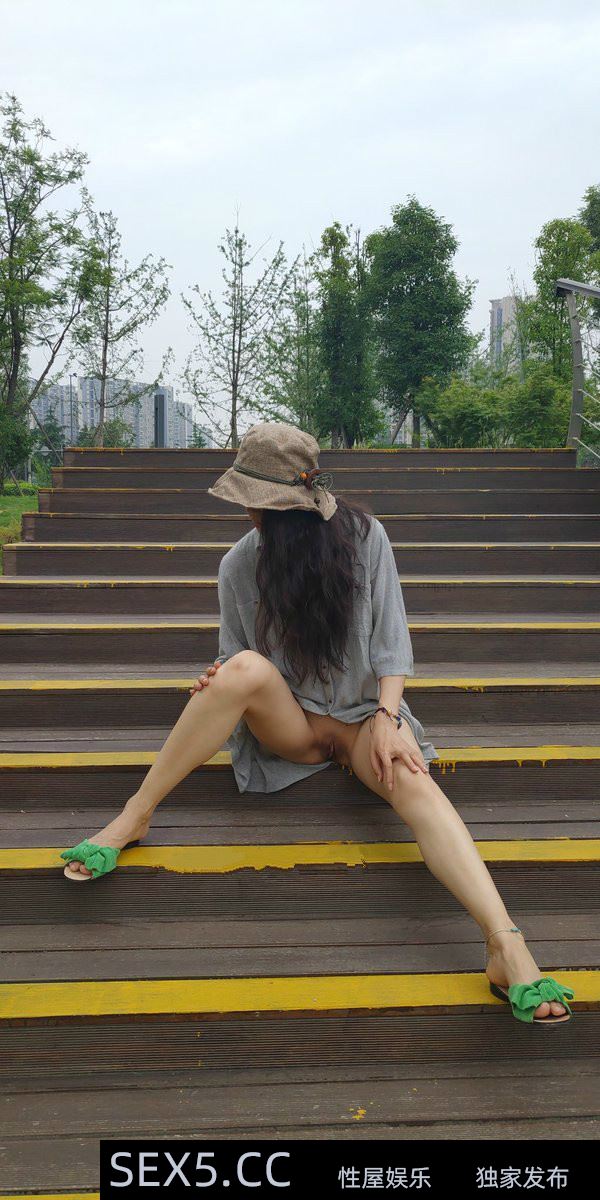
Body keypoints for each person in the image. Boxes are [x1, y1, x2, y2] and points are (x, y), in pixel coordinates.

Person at [59, 422, 575, 1026]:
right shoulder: (238, 566)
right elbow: (235, 656)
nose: (249, 515)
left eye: (256, 503)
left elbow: (391, 642)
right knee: (241, 668)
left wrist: (388, 717)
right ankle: (136, 814)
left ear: (287, 509)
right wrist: (219, 679)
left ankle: (505, 945)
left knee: (414, 782)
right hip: (293, 728)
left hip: (363, 720)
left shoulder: (364, 538)